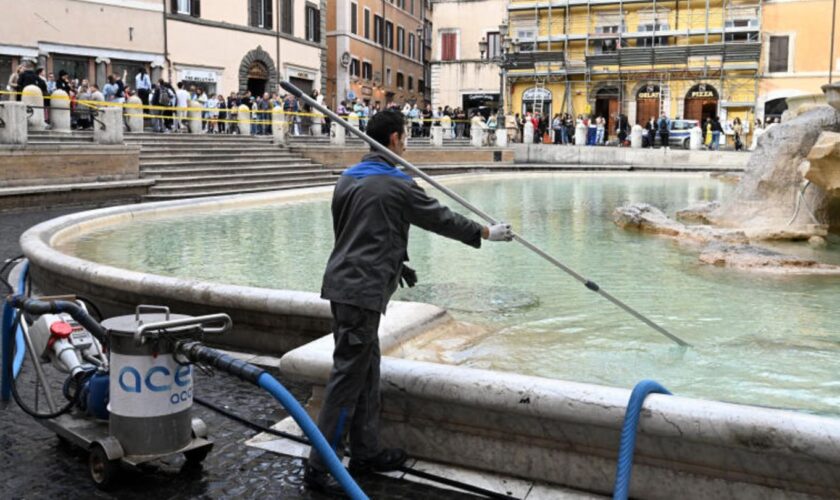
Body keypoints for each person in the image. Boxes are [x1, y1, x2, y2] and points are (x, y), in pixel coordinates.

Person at [303, 110, 513, 494]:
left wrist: (396, 262)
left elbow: (360, 234)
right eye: (408, 137)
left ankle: (365, 452)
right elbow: (439, 218)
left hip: (344, 286)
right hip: (362, 293)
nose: (409, 144)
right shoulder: (398, 183)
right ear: (396, 139)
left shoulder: (348, 178)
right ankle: (320, 465)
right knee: (348, 379)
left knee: (366, 372)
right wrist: (486, 231)